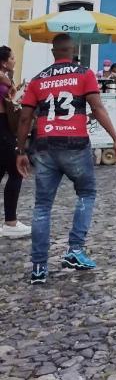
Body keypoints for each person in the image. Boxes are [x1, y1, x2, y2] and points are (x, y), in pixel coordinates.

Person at [14, 33, 116, 284]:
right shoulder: (84, 74)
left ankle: (39, 268)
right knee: (86, 193)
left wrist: (20, 151)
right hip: (75, 145)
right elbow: (97, 107)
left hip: (44, 146)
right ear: (73, 51)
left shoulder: (38, 80)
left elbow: (24, 118)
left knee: (42, 206)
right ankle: (74, 250)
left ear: (53, 52)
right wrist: (115, 138)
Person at [0, 46, 30, 238]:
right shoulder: (2, 76)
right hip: (2, 127)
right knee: (16, 171)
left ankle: (10, 221)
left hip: (4, 125)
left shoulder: (5, 77)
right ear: (4, 61)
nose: (14, 60)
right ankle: (10, 222)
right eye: (12, 58)